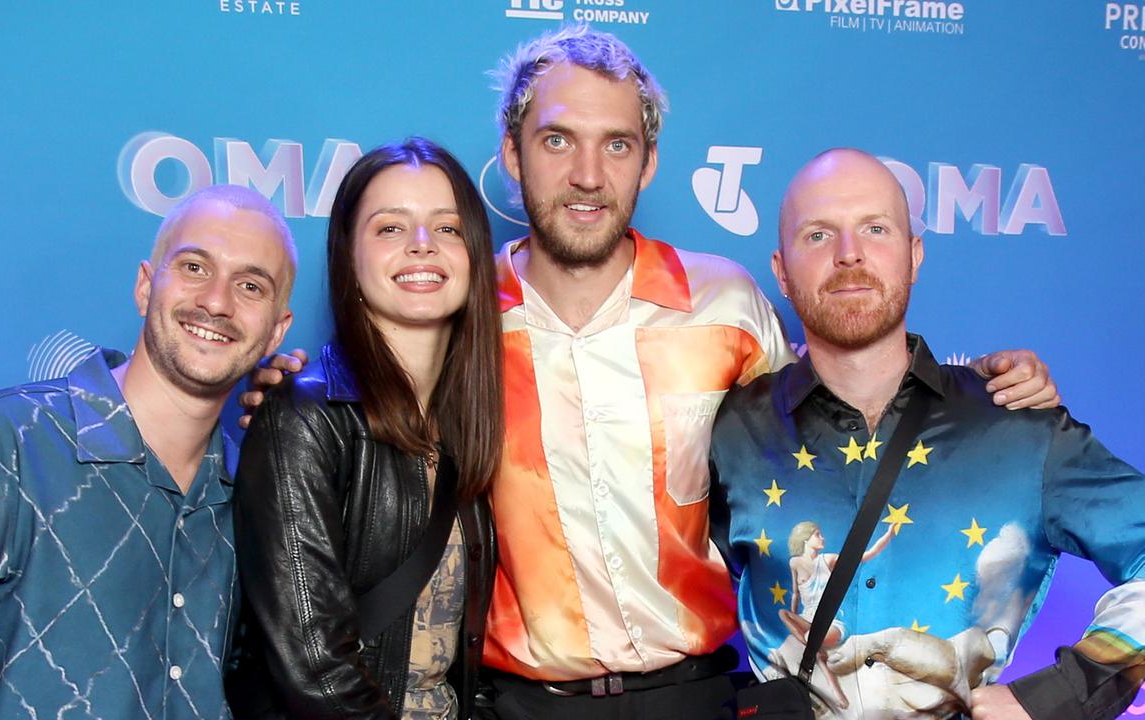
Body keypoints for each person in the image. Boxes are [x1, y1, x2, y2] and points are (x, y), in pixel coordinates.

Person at [243, 25, 1059, 720]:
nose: (588, 175)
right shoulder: (461, 313)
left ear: (650, 162)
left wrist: (983, 390)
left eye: (617, 144)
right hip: (522, 704)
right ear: (512, 154)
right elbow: (371, 402)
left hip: (699, 693)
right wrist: (286, 389)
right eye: (558, 140)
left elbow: (851, 410)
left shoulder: (727, 303)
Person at [710, 148, 1145, 719]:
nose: (849, 255)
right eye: (818, 234)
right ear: (781, 271)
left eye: (875, 228)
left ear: (914, 255)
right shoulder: (731, 431)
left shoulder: (1017, 424)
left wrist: (1057, 698)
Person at [0, 184, 297, 719]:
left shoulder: (260, 491)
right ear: (145, 287)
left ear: (277, 329)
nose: (216, 301)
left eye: (251, 285)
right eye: (193, 267)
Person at [224, 138, 503, 720]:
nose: (422, 245)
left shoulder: (467, 422)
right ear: (348, 257)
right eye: (390, 228)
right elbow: (315, 671)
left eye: (447, 229)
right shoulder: (302, 417)